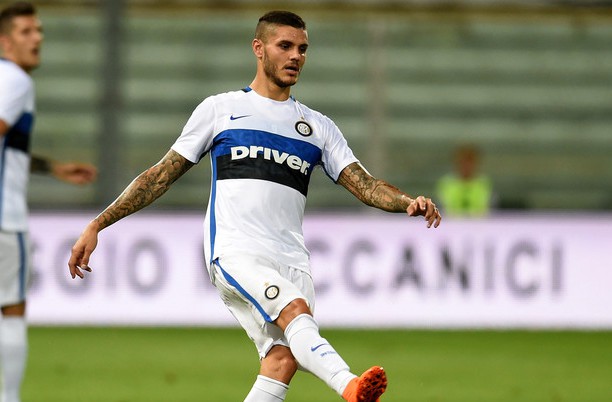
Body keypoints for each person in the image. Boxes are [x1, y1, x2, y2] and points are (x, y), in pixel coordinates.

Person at [68, 10, 441, 402]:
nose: (295, 56)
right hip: (236, 251)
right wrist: (98, 223)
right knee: (294, 310)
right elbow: (160, 175)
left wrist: (407, 202)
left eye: (302, 49)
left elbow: (365, 184)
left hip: (292, 258)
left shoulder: (318, 127)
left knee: (282, 360)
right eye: (285, 46)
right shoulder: (220, 109)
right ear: (258, 49)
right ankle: (349, 386)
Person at [0, 2, 98, 401]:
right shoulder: (15, 80)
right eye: (26, 31)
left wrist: (52, 167)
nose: (37, 38)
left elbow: (9, 147)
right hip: (5, 221)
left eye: (39, 30)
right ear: (5, 42)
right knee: (11, 310)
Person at [436, 144, 493, 217]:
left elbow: (488, 210)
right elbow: (441, 209)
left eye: (469, 162)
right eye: (463, 162)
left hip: (479, 222)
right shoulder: (446, 184)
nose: (466, 166)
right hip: (450, 222)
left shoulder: (484, 184)